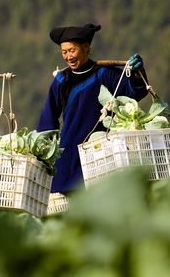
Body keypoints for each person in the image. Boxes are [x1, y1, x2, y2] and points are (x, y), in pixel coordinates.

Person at [37, 23, 148, 194]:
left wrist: (136, 73)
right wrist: (40, 152)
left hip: (102, 157)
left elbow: (133, 92)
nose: (68, 57)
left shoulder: (107, 74)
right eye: (64, 52)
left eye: (72, 51)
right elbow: (48, 121)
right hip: (70, 162)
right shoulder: (61, 81)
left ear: (86, 47)